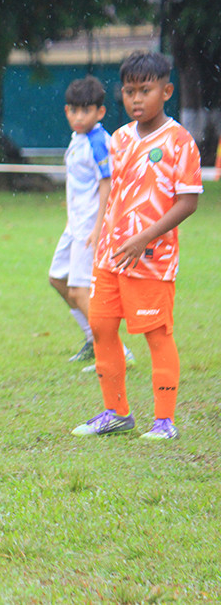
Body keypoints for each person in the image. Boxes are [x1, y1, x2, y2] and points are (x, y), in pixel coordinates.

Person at [71, 50, 201, 440]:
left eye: (145, 90)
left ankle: (164, 421)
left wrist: (144, 237)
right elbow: (114, 192)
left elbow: (189, 201)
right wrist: (103, 234)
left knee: (156, 334)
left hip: (152, 260)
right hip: (111, 257)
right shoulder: (120, 139)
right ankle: (116, 412)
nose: (136, 99)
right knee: (101, 327)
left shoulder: (180, 142)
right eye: (129, 92)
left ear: (167, 91)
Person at [48, 75, 113, 364]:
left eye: (85, 110)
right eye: (73, 110)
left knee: (79, 289)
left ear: (100, 112)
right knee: (57, 278)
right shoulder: (78, 138)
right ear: (66, 111)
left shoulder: (99, 141)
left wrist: (99, 228)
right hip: (74, 226)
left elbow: (108, 184)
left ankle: (115, 351)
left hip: (89, 227)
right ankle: (91, 337)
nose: (78, 116)